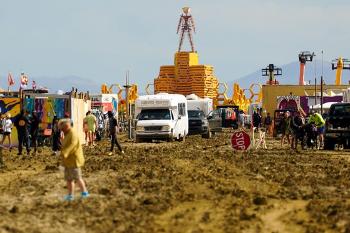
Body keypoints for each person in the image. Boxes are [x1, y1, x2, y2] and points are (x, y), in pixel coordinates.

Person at [59, 118, 89, 201]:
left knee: (77, 177)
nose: (61, 130)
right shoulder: (67, 134)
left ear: (66, 126)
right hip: (68, 161)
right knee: (69, 179)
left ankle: (84, 192)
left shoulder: (73, 133)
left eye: (62, 128)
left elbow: (72, 145)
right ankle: (70, 195)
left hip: (74, 160)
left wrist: (65, 152)